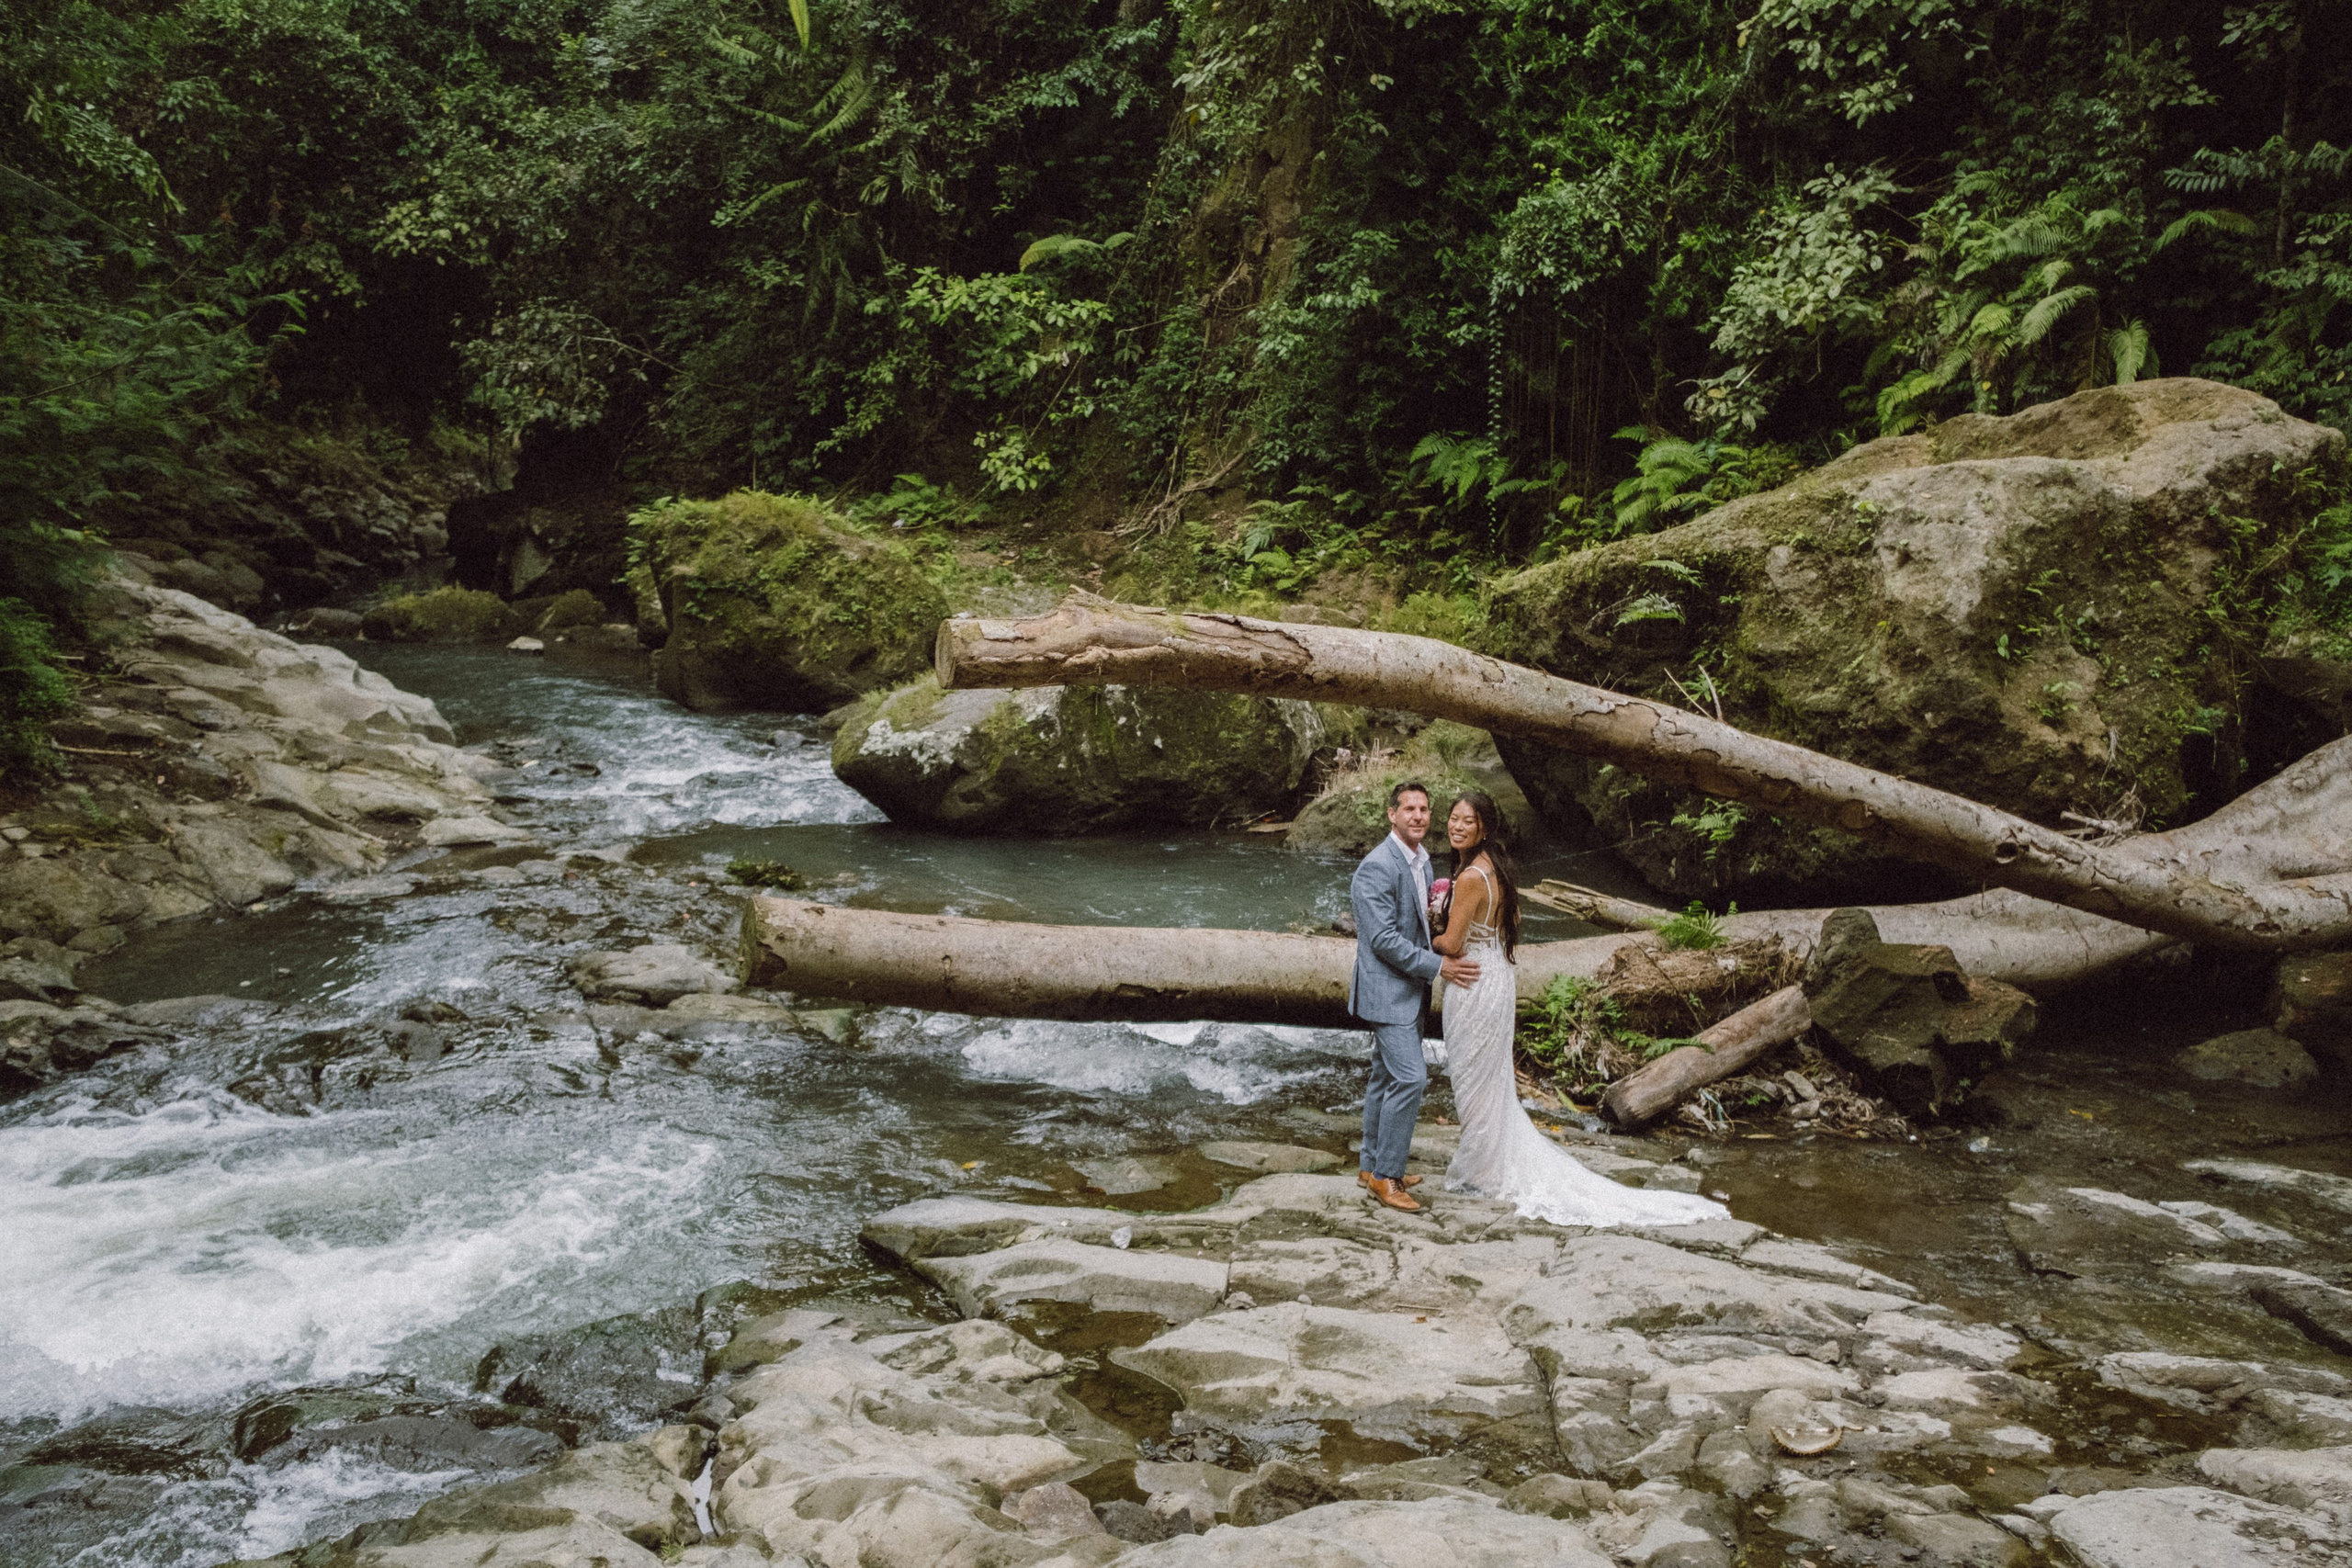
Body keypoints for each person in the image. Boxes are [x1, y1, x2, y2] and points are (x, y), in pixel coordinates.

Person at [1432, 790, 1727, 1228]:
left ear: (1485, 829)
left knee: (1473, 1079)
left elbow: (1453, 945)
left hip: (1472, 981)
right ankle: (1485, 1163)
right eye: (1453, 818)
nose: (1457, 826)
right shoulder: (1498, 871)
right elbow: (1508, 927)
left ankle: (1482, 1170)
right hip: (1496, 975)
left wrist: (1430, 924)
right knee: (1489, 1079)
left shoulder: (1472, 878)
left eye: (1467, 821)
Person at [1347, 780, 1478, 1213]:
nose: (1418, 816)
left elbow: (1421, 925)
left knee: (1385, 1078)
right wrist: (1439, 966)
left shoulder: (1421, 861)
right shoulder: (1377, 865)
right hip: (1386, 992)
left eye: (1424, 809)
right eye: (1409, 809)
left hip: (1411, 990)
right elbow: (1382, 939)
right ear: (1392, 814)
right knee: (1411, 1078)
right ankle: (1387, 1177)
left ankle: (1371, 1166)